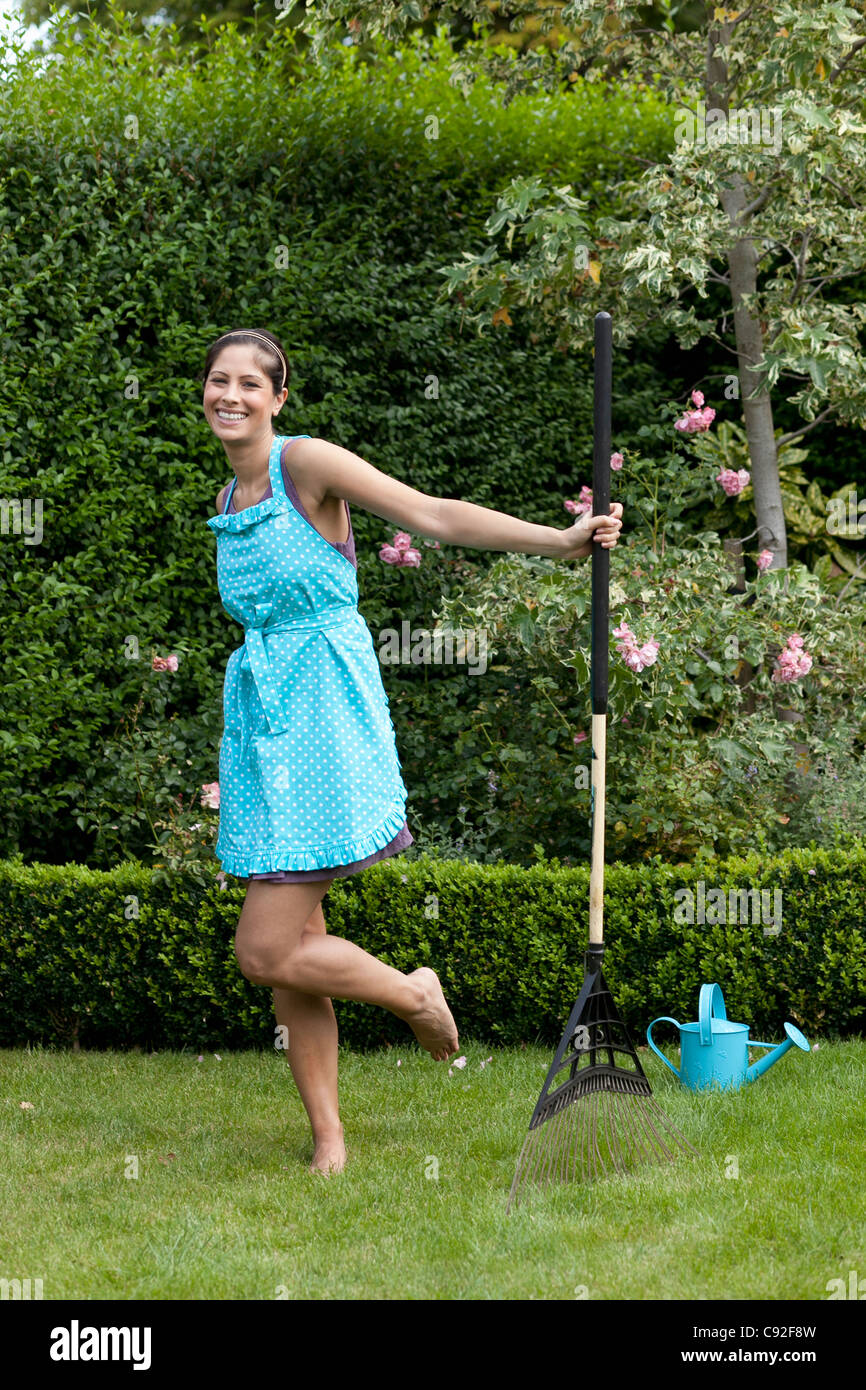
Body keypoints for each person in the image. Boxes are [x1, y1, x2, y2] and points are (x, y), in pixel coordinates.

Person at [203, 326, 624, 1176]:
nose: (232, 395)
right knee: (297, 947)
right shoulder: (226, 498)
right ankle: (328, 1138)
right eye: (219, 381)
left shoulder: (306, 465)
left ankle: (412, 994)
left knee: (263, 947)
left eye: (252, 383)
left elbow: (430, 514)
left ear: (279, 399)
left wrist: (559, 538)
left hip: (323, 713)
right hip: (264, 722)